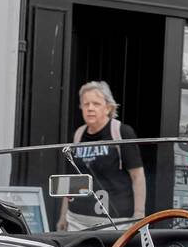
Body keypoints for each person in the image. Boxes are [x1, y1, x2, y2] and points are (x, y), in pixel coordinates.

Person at [58, 81, 146, 231]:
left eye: (96, 104)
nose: (90, 108)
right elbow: (72, 181)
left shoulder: (121, 132)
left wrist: (139, 215)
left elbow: (138, 176)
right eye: (86, 104)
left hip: (114, 222)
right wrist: (63, 216)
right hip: (76, 220)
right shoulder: (78, 135)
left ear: (108, 107)